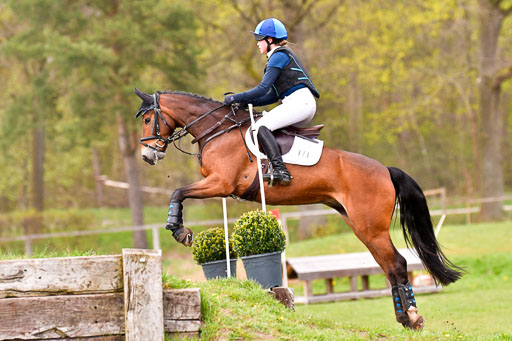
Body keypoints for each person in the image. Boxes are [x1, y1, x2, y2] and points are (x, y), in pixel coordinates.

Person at [224, 17, 320, 186]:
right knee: (265, 125)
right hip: (299, 103)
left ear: (269, 40)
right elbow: (272, 96)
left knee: (261, 127)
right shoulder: (278, 58)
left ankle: (281, 170)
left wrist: (235, 97)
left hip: (300, 103)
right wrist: (245, 103)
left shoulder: (278, 56)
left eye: (258, 39)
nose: (257, 43)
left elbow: (262, 88)